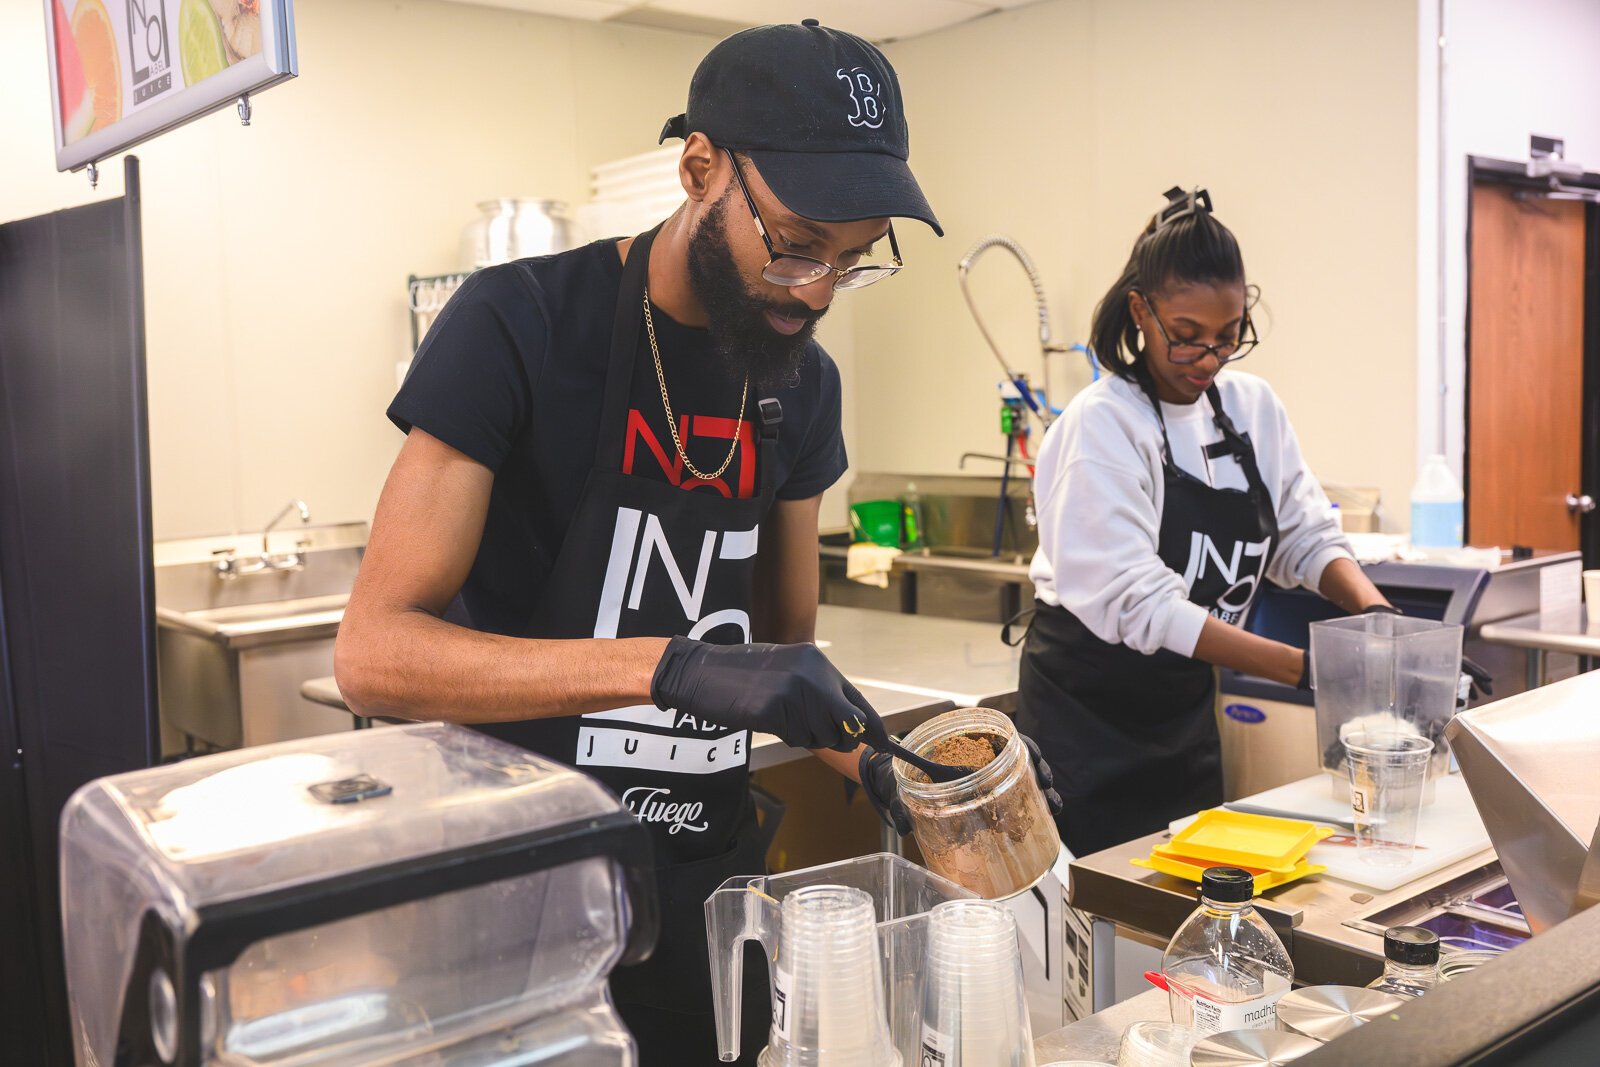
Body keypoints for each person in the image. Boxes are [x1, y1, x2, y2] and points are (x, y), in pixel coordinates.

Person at [336, 20, 1040, 1066]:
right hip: (506, 892)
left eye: (848, 264)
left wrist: (900, 768)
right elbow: (377, 655)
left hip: (699, 892)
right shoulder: (519, 326)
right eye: (796, 241)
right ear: (699, 166)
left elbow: (781, 660)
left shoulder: (802, 386)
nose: (812, 291)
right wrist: (669, 667)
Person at [1015, 187, 1396, 859]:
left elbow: (1302, 532)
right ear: (1142, 311)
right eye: (1186, 338)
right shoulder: (1103, 425)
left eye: (1227, 337)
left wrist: (1378, 614)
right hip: (1086, 723)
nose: (1210, 359)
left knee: (1184, 910)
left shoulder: (1253, 408)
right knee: (1098, 916)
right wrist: (1307, 668)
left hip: (1183, 716)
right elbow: (1143, 605)